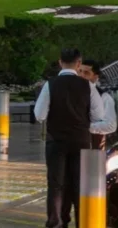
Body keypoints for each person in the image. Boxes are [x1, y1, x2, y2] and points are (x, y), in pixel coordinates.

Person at [34, 48, 107, 228]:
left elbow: (39, 115)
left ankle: (56, 222)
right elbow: (99, 115)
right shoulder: (87, 86)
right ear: (78, 63)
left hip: (56, 141)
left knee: (56, 184)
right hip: (81, 141)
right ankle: (82, 222)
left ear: (60, 62)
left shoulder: (50, 84)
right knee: (79, 184)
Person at [79, 59, 117, 148]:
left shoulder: (104, 97)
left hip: (93, 151)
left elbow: (110, 125)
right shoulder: (69, 94)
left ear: (95, 77)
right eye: (80, 71)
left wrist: (86, 127)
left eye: (86, 73)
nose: (81, 75)